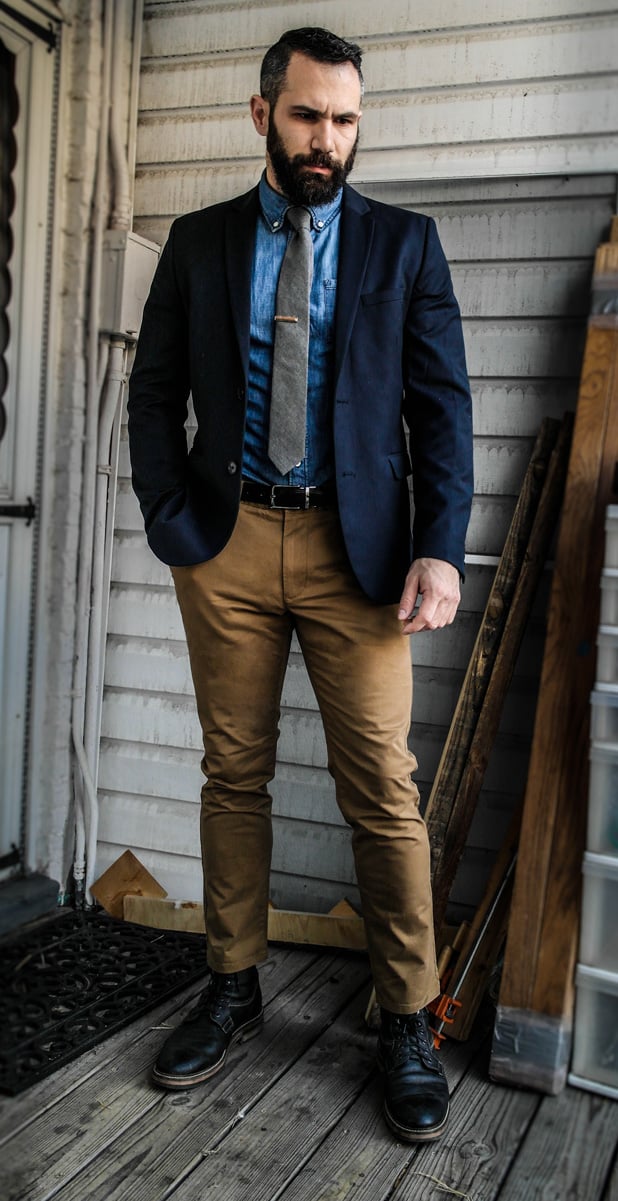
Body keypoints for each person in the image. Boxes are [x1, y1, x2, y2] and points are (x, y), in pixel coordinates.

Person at [128, 26, 473, 1143]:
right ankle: (232, 982)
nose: (329, 140)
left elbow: (441, 409)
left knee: (383, 785)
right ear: (262, 113)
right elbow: (153, 392)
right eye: (308, 116)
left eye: (346, 119)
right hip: (226, 540)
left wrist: (439, 544)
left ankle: (406, 1015)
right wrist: (170, 515)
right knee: (234, 772)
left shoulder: (404, 246)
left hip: (357, 554)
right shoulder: (200, 242)